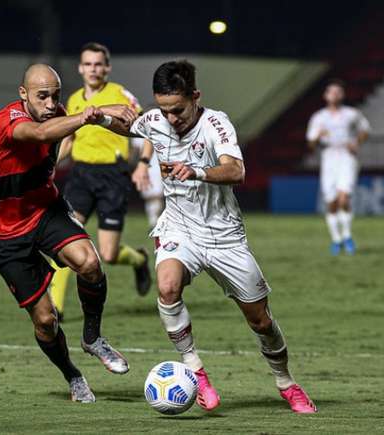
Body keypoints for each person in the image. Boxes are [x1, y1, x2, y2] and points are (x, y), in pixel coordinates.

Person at [101, 60, 317, 413]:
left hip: (224, 237)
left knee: (260, 320)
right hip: (179, 229)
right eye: (164, 109)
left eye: (178, 110)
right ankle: (195, 371)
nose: (171, 118)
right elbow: (126, 123)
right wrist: (94, 113)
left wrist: (197, 171)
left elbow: (237, 170)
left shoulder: (216, 123)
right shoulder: (156, 121)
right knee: (168, 287)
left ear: (195, 97)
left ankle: (286, 382)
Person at [0, 64, 137, 402]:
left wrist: (148, 130)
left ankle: (93, 338)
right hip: (2, 230)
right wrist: (97, 113)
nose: (50, 103)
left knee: (90, 263)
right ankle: (73, 376)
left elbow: (111, 126)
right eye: (42, 96)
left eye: (55, 96)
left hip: (45, 209)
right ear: (23, 94)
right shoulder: (8, 121)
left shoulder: (60, 114)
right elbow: (40, 134)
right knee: (46, 320)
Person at [48, 42, 151, 321]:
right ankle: (56, 308)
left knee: (108, 253)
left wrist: (143, 165)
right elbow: (69, 140)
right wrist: (51, 166)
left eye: (98, 64)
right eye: (88, 64)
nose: (93, 69)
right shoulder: (74, 101)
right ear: (81, 68)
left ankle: (139, 260)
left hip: (113, 178)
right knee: (66, 240)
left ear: (107, 67)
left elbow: (148, 130)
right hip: (81, 176)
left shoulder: (120, 95)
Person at [306, 79, 370, 255]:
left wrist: (356, 142)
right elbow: (310, 146)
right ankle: (336, 239)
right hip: (328, 158)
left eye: (337, 91)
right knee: (332, 202)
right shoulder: (319, 117)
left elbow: (365, 130)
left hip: (346, 157)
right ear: (325, 96)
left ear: (342, 95)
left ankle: (347, 236)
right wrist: (317, 137)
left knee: (344, 198)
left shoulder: (352, 114)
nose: (334, 94)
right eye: (331, 91)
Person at [131, 138, 165, 228]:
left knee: (158, 195)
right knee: (152, 195)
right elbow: (136, 149)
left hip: (160, 163)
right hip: (147, 166)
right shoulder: (137, 130)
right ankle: (154, 222)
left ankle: (156, 221)